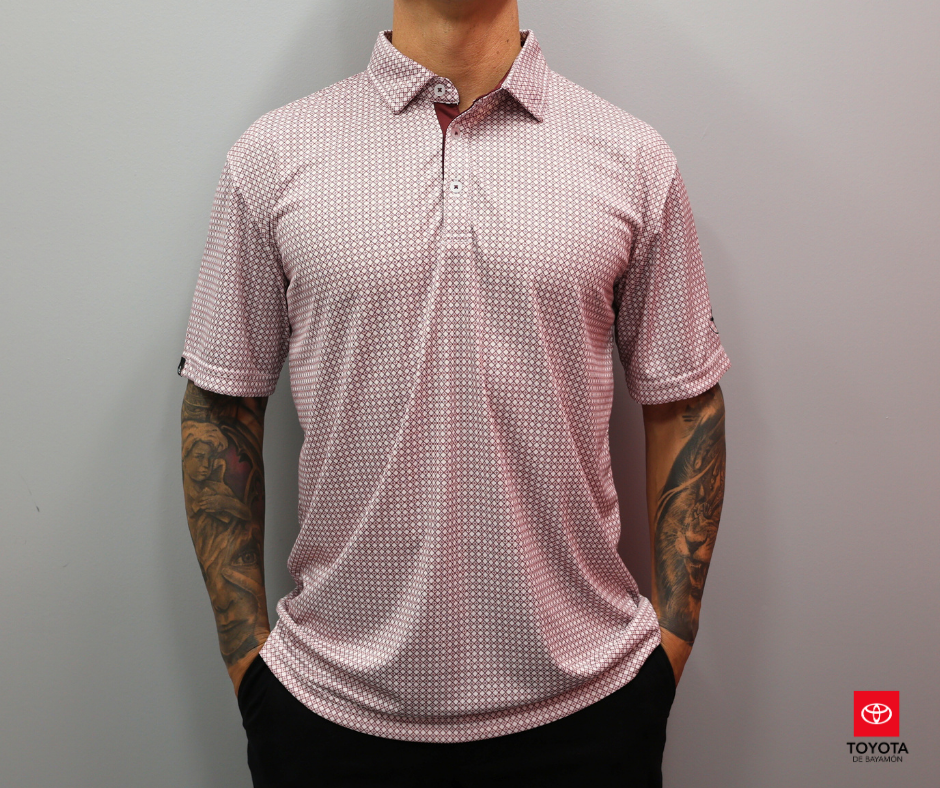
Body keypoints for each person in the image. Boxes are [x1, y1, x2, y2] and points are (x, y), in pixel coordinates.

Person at [178, 0, 730, 785]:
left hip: (592, 709)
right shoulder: (273, 155)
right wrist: (251, 668)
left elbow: (684, 400)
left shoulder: (633, 157)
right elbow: (221, 407)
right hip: (328, 715)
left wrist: (667, 651)